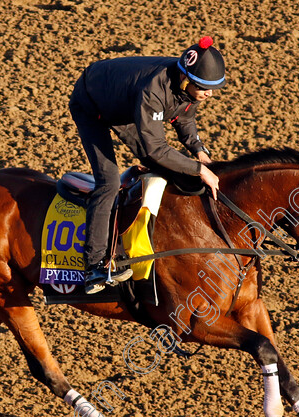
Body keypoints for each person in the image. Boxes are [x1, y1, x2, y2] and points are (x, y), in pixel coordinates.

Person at [69, 36, 225, 294]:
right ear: (186, 80)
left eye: (212, 89)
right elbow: (157, 148)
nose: (209, 94)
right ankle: (95, 265)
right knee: (108, 182)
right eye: (203, 88)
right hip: (92, 105)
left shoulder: (185, 87)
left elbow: (184, 119)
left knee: (167, 167)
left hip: (128, 106)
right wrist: (200, 170)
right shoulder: (154, 89)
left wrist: (199, 152)